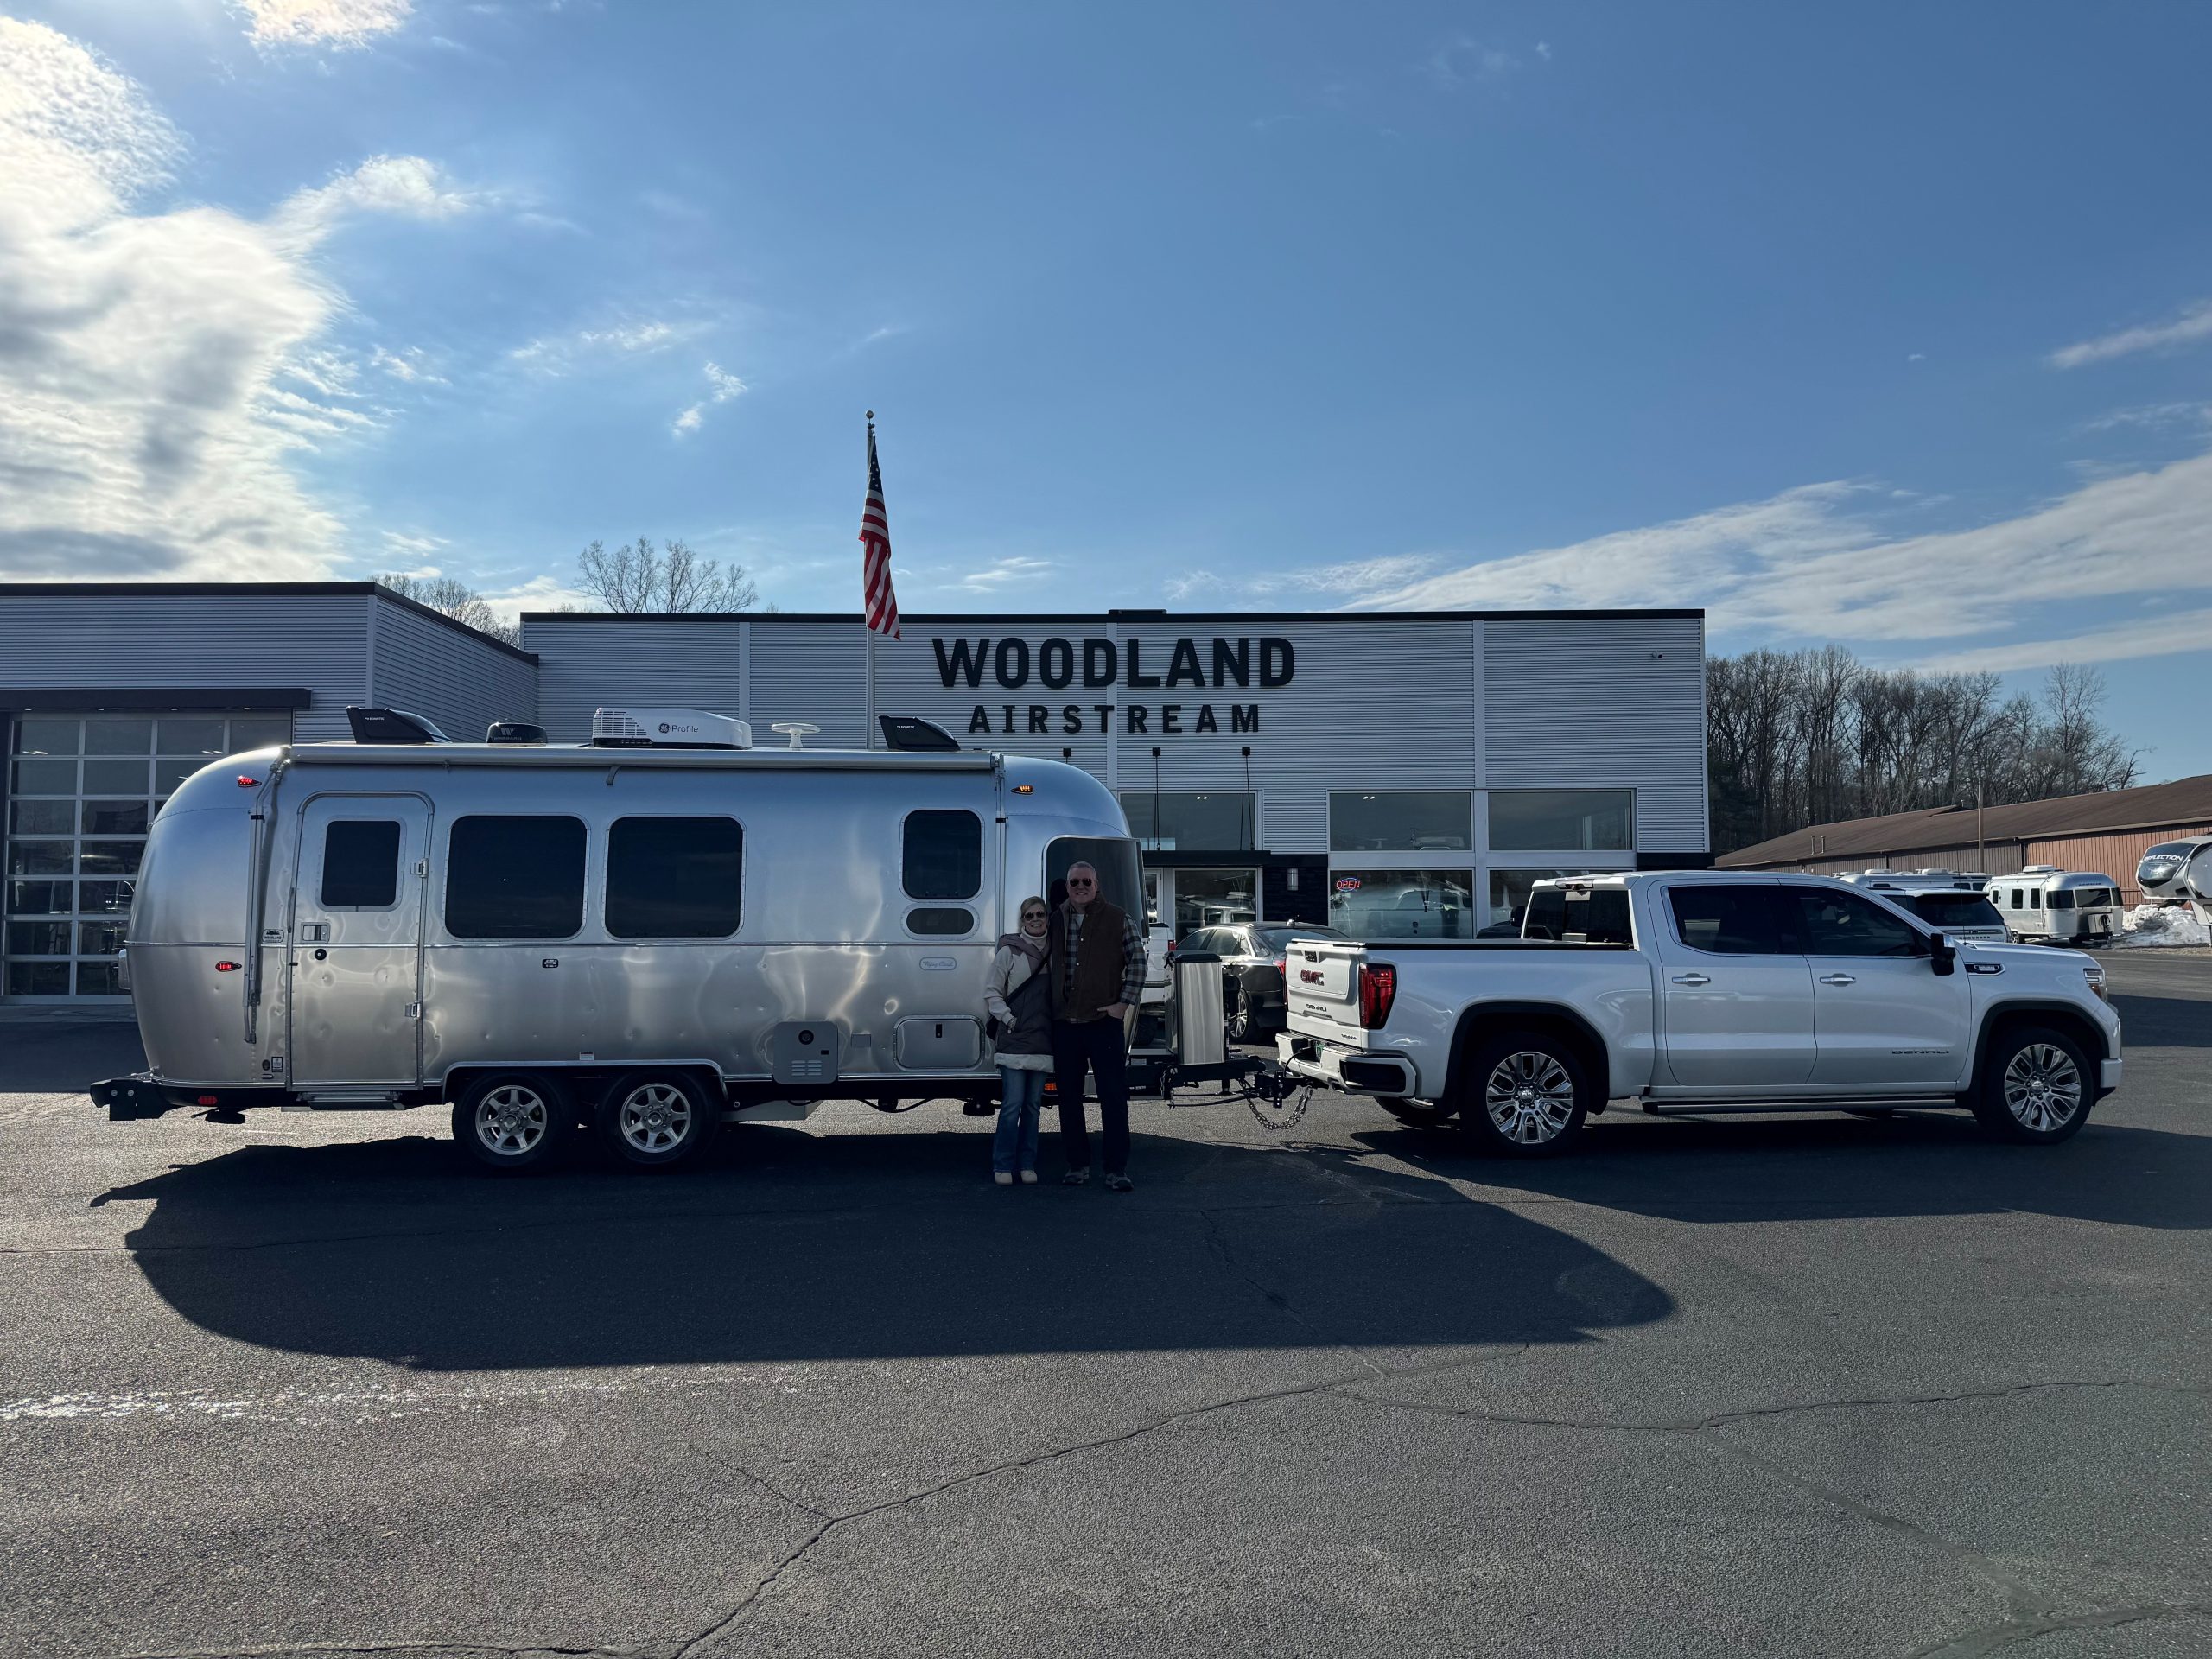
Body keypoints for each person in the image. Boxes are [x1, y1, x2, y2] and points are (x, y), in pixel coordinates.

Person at [1047, 861, 1146, 1192]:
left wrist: (1122, 1004)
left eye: (1086, 881)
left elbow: (1138, 962)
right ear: (1067, 886)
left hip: (1104, 1023)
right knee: (1068, 1099)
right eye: (1074, 882)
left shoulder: (1118, 918)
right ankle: (1077, 1165)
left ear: (1097, 884)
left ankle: (1116, 1170)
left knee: (1112, 1097)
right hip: (1065, 1025)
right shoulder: (1055, 920)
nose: (1080, 887)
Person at [984, 896, 1053, 1185]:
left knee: (1033, 1107)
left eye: (1040, 914)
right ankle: (1002, 1164)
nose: (1035, 920)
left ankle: (1027, 1164)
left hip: (1043, 1039)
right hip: (1014, 1039)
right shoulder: (1009, 952)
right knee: (1012, 1105)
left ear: (1047, 917)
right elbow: (992, 992)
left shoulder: (1056, 951)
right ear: (1022, 920)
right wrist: (1010, 1020)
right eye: (1029, 916)